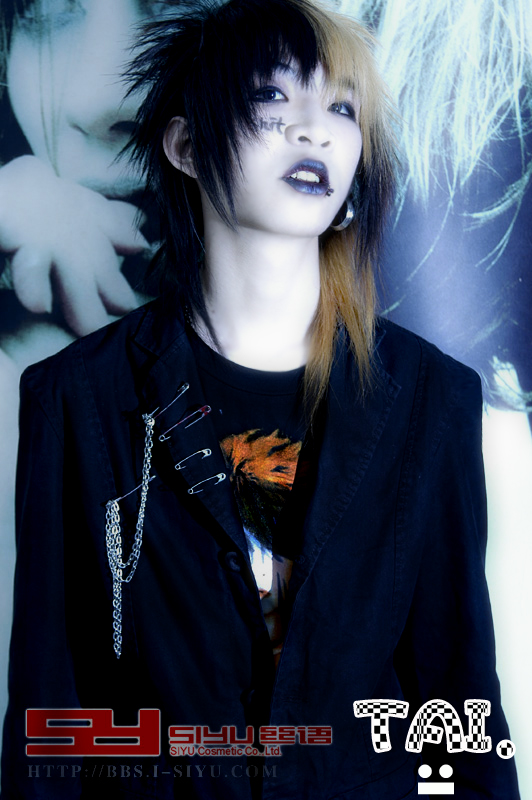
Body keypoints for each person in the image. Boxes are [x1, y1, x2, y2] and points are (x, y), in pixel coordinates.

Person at [1, 0, 520, 798]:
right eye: (272, 96)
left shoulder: (432, 400)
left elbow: (457, 702)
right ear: (186, 145)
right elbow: (50, 716)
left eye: (341, 108)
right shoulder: (76, 398)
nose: (315, 130)